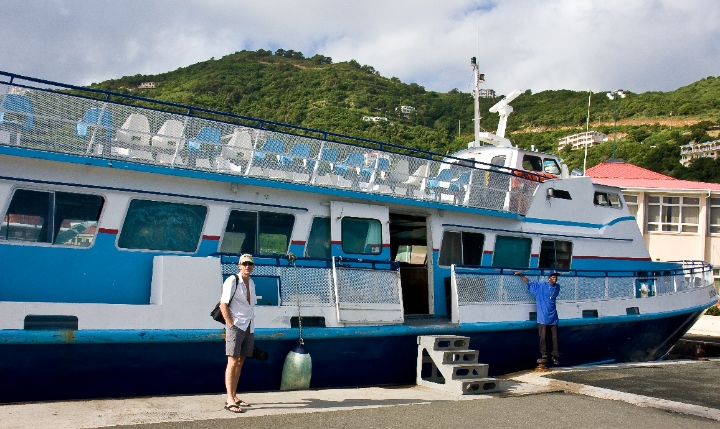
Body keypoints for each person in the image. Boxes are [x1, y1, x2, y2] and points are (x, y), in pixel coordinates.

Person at [219, 254, 256, 413]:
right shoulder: (232, 280)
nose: (247, 266)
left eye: (250, 264)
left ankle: (234, 396)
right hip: (236, 326)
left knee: (240, 361)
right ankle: (229, 400)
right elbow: (223, 304)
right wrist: (231, 324)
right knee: (232, 361)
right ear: (239, 265)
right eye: (244, 263)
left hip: (248, 325)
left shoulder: (252, 282)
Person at [514, 271, 561, 365]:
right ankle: (544, 354)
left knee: (554, 338)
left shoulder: (557, 287)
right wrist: (521, 275)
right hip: (543, 318)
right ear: (549, 278)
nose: (554, 278)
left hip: (553, 318)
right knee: (543, 337)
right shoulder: (541, 286)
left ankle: (555, 355)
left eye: (556, 277)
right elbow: (529, 282)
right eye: (553, 276)